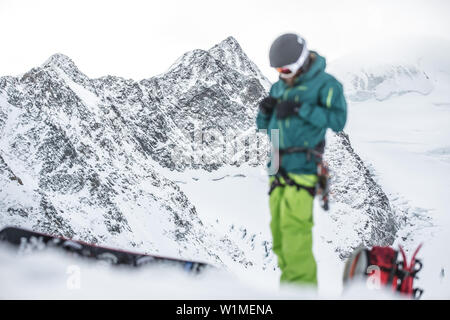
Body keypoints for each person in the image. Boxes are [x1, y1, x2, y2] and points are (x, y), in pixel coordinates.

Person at [256, 33, 347, 287]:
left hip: (302, 168)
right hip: (276, 169)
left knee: (296, 239)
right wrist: (265, 112)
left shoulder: (326, 85)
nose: (281, 74)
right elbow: (267, 129)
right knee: (280, 242)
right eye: (277, 70)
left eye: (285, 69)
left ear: (300, 62)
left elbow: (338, 121)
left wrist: (299, 108)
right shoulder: (279, 86)